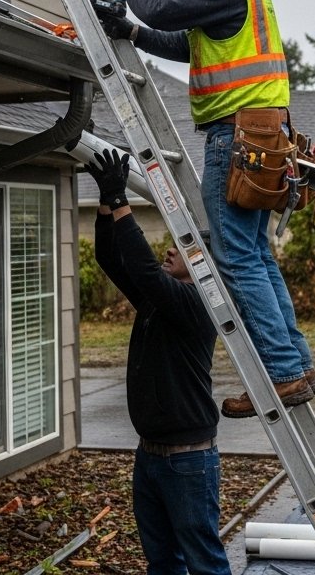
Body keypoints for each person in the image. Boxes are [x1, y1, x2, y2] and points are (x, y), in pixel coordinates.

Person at [98, 0, 315, 418]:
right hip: (263, 134)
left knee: (234, 257)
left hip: (235, 135)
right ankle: (297, 365)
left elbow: (166, 9)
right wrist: (129, 28)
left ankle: (284, 373)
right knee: (256, 255)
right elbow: (183, 42)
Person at [87, 148, 232, 575]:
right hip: (150, 456)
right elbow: (111, 259)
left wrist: (121, 202)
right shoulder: (158, 303)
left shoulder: (196, 305)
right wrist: (104, 201)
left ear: (203, 266)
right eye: (173, 243)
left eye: (182, 248)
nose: (170, 250)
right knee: (162, 563)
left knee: (204, 563)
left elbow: (145, 270)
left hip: (188, 460)